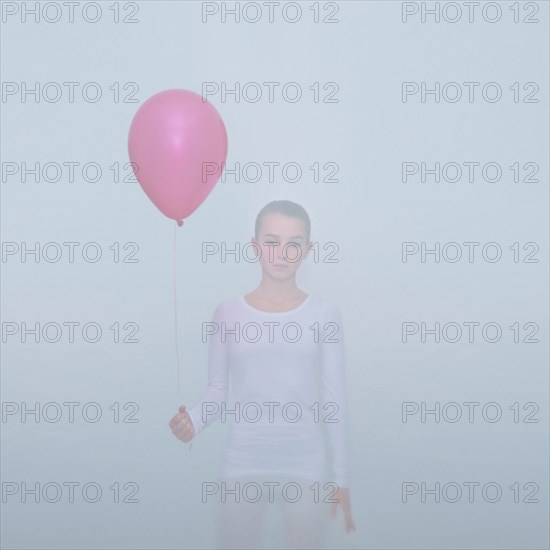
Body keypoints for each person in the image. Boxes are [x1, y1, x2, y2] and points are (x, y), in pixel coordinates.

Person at [169, 200, 356, 548]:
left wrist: (341, 478)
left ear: (307, 250)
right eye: (272, 242)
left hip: (304, 464)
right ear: (255, 246)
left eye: (293, 244)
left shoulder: (324, 315)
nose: (282, 253)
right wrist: (192, 421)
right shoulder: (227, 314)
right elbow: (216, 393)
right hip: (242, 462)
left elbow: (335, 400)